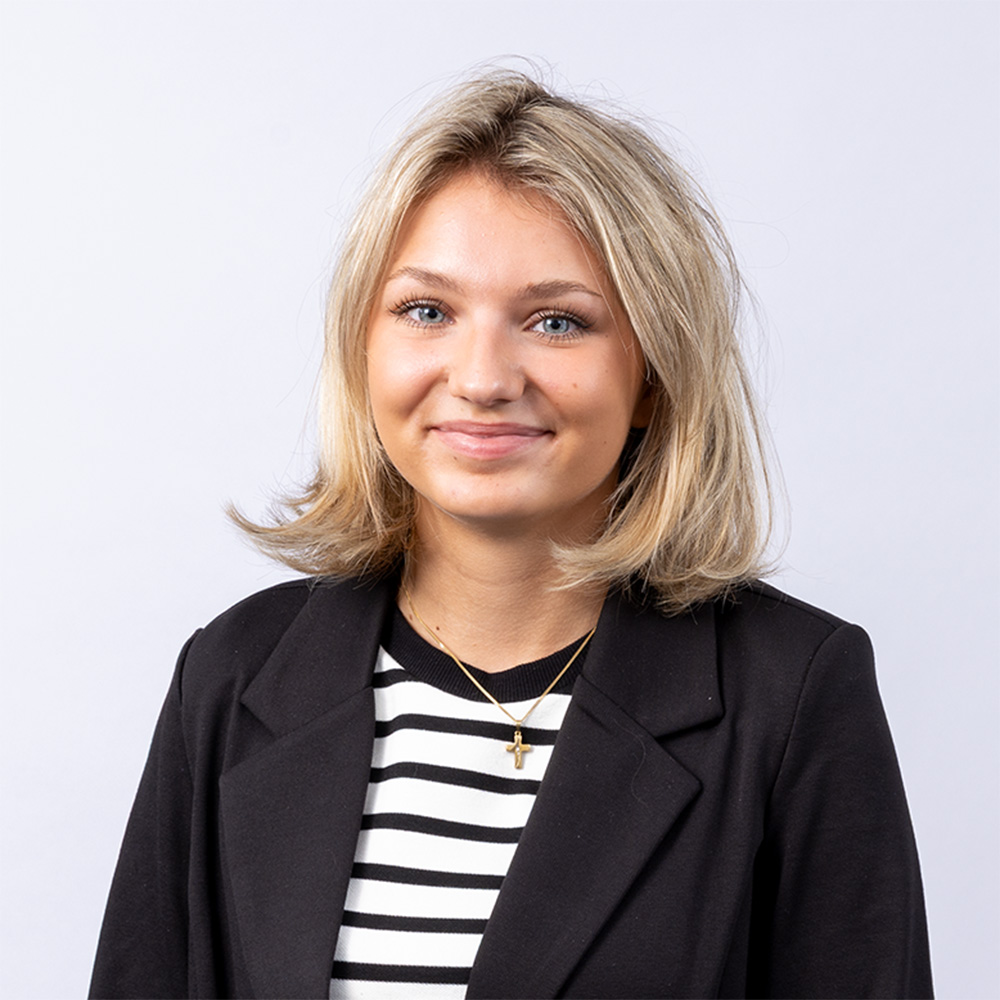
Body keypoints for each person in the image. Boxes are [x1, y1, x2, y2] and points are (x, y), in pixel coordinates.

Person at [90, 72, 932, 1000]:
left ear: (653, 375)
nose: (483, 378)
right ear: (364, 346)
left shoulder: (793, 694)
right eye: (427, 311)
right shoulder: (234, 675)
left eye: (557, 321)